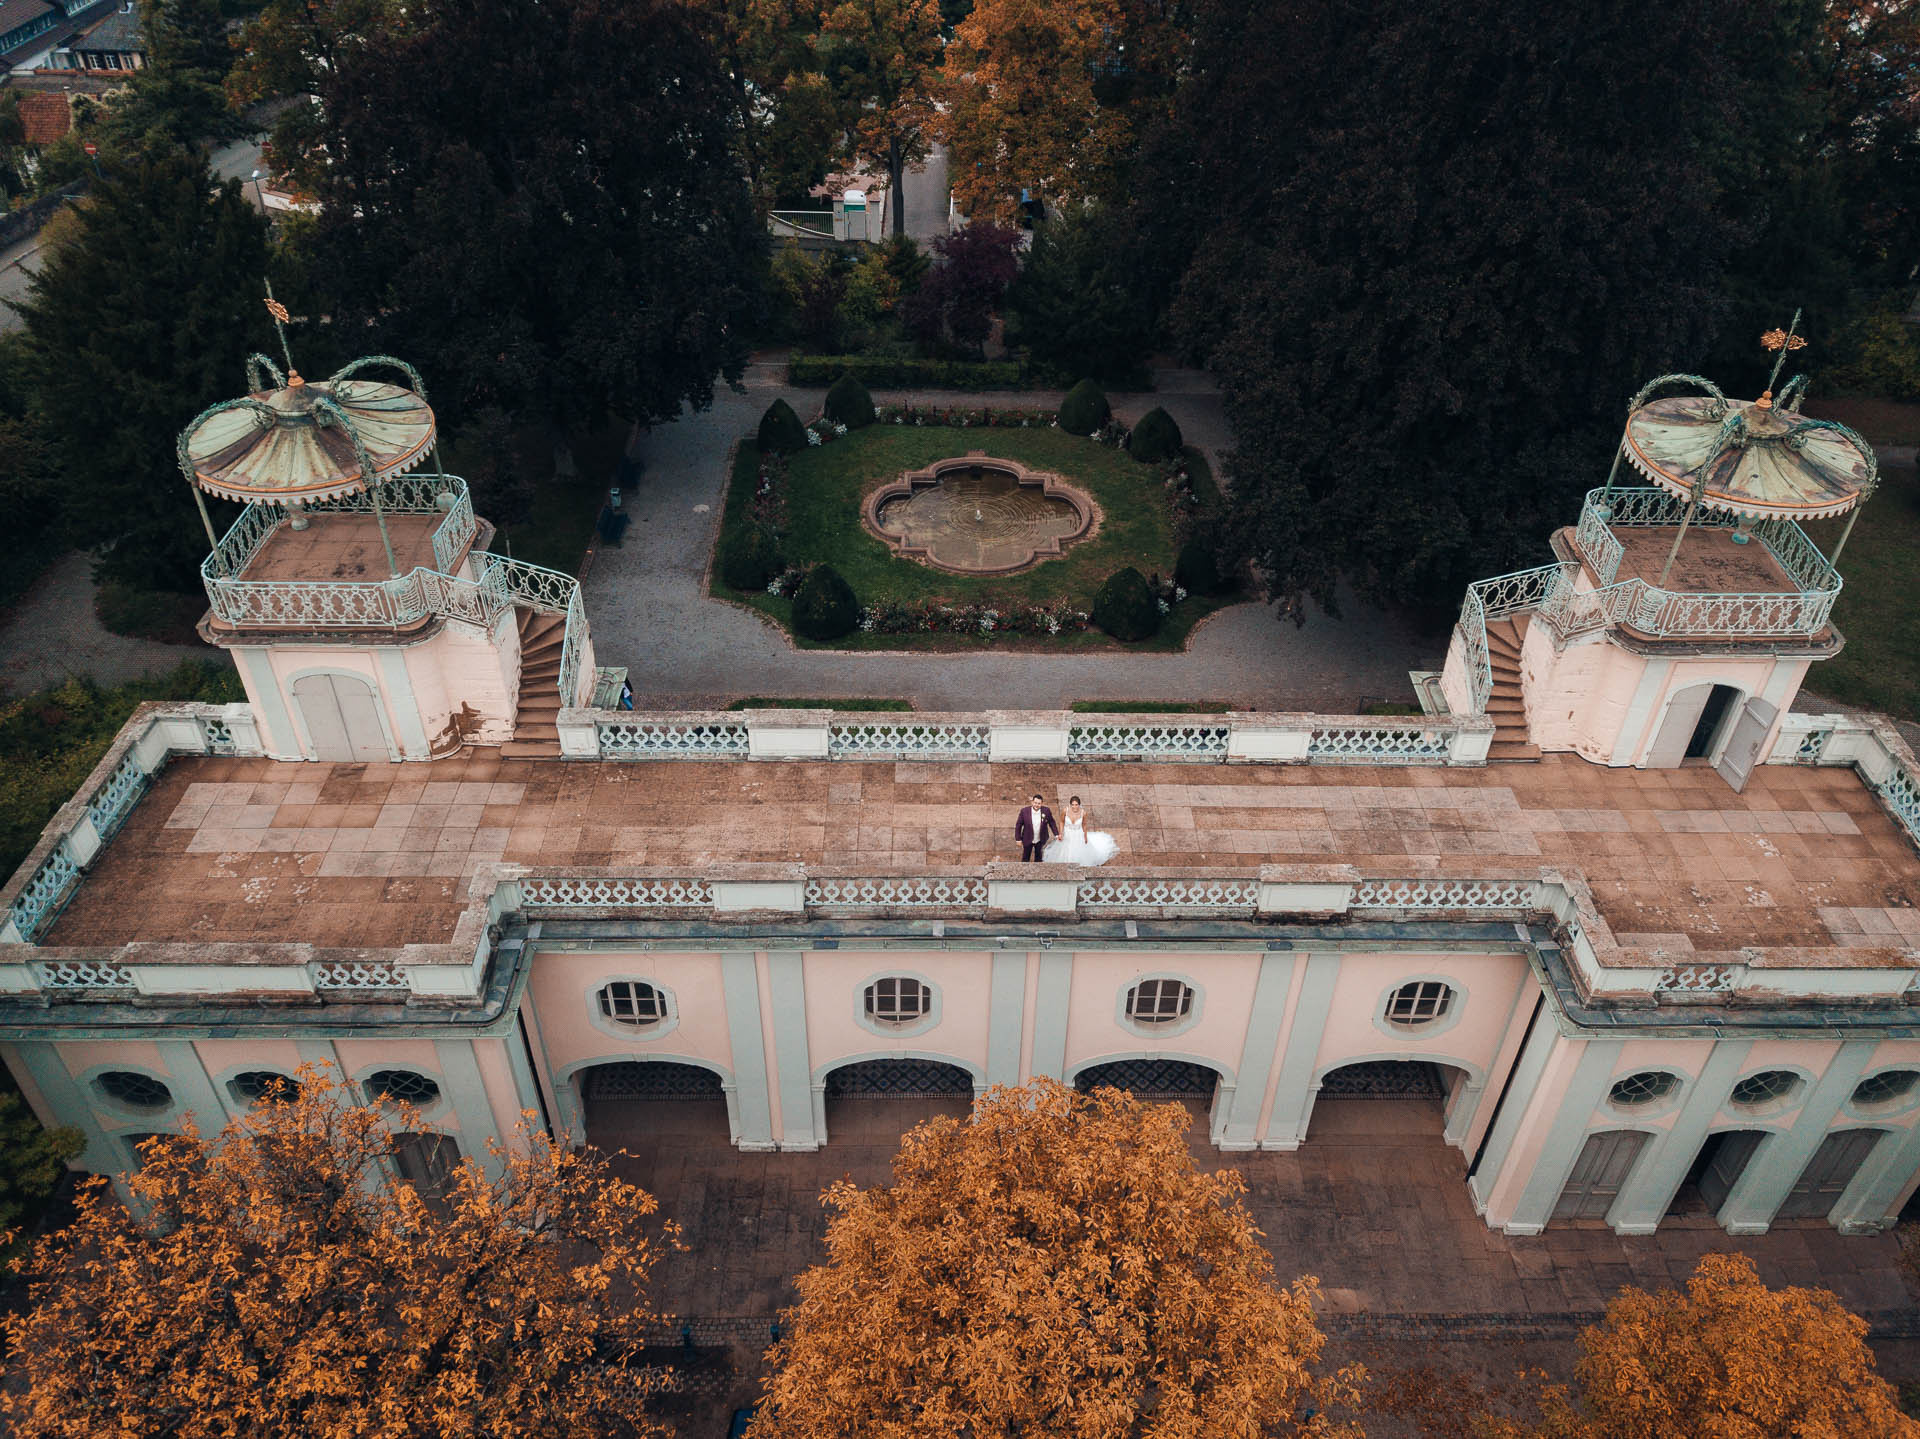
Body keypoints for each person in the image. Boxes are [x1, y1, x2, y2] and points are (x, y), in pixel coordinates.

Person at [1044, 796, 1118, 866]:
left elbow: (1084, 825)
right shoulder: (1065, 811)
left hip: (1078, 834)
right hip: (1067, 833)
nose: (1074, 807)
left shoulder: (1083, 813)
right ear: (1070, 805)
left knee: (1077, 850)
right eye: (1072, 805)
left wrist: (1085, 836)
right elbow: (1061, 822)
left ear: (1079, 805)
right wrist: (1060, 833)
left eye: (1076, 805)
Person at [1014, 792, 1057, 863]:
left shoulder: (1046, 811)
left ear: (1042, 803)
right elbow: (1018, 825)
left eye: (1039, 803)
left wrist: (1056, 834)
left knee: (1039, 859)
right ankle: (1024, 873)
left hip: (1040, 839)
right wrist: (1018, 839)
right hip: (1027, 838)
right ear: (1032, 802)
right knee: (1025, 858)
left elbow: (1052, 822)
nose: (1037, 805)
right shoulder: (1024, 811)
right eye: (1035, 802)